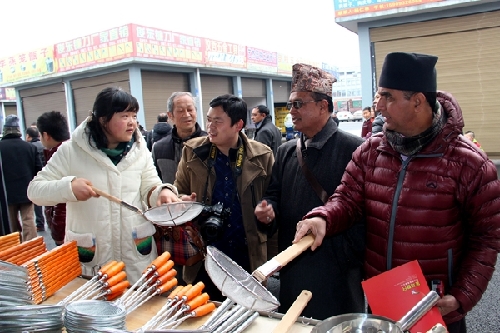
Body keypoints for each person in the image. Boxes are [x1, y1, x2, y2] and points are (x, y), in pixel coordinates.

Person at [295, 52, 500, 333]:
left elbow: (487, 238)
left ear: (417, 101)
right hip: (383, 300)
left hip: (435, 305)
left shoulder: (469, 164)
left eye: (388, 97)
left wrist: (462, 295)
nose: (378, 106)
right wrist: (323, 218)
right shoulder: (370, 151)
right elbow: (346, 199)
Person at [27, 87, 177, 283]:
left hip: (135, 255)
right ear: (103, 119)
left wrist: (161, 192)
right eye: (125, 116)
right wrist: (69, 188)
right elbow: (35, 190)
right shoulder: (72, 151)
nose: (132, 122)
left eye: (134, 115)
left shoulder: (139, 150)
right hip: (93, 258)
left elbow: (150, 185)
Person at [254, 63, 365, 320]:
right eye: (291, 104)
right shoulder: (286, 151)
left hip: (338, 270)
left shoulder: (356, 149)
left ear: (323, 106)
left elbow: (363, 211)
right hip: (294, 266)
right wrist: (268, 211)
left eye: (299, 104)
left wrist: (350, 256)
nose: (291, 111)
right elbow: (274, 195)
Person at [162, 94, 274, 301]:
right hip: (203, 256)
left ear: (238, 124)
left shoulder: (263, 156)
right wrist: (183, 201)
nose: (210, 126)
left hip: (247, 254)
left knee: (246, 315)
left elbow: (273, 199)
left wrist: (269, 210)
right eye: (209, 120)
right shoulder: (192, 152)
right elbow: (178, 192)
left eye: (218, 121)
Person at [0, 115, 43, 241]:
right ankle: (31, 246)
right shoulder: (30, 147)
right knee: (28, 220)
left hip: (6, 194)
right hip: (27, 191)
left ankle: (15, 247)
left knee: (11, 222)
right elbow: (38, 170)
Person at [152, 92, 207, 183]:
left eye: (190, 109)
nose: (186, 114)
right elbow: (156, 182)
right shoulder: (159, 148)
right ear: (170, 115)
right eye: (180, 111)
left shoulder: (210, 143)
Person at [36, 111, 71, 246]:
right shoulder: (69, 151)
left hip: (66, 230)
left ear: (46, 135)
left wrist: (58, 232)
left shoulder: (59, 156)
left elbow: (61, 201)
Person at [25, 126, 46, 231]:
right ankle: (44, 222)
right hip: (47, 174)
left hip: (36, 177)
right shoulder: (43, 145)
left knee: (37, 202)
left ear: (28, 136)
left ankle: (40, 223)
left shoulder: (30, 147)